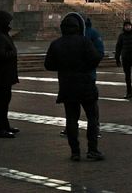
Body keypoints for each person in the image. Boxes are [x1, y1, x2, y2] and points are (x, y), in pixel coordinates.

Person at [44, 12, 104, 162]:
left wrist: (63, 67)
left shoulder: (56, 43)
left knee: (71, 119)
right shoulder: (84, 41)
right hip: (85, 84)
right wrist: (84, 67)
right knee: (92, 117)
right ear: (78, 27)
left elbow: (48, 65)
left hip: (67, 85)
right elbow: (96, 58)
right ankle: (92, 150)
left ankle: (75, 152)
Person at [0, 10, 19, 138]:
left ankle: (5, 125)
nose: (10, 24)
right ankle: (0, 129)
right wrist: (14, 53)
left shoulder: (2, 33)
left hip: (5, 74)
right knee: (1, 102)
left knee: (4, 101)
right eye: (8, 21)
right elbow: (0, 55)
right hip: (2, 75)